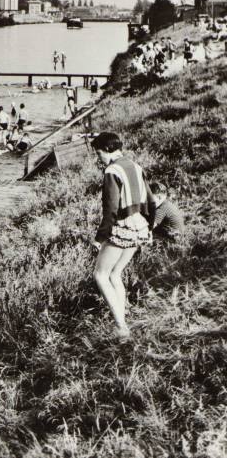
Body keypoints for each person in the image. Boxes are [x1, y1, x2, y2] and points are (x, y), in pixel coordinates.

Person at [91, 132, 155, 339]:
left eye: (98, 153)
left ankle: (121, 327)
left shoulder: (112, 170)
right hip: (140, 225)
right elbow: (151, 201)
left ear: (108, 150)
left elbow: (110, 210)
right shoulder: (136, 166)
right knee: (115, 274)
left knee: (100, 275)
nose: (98, 158)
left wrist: (99, 238)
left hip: (122, 226)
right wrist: (150, 227)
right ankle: (122, 320)